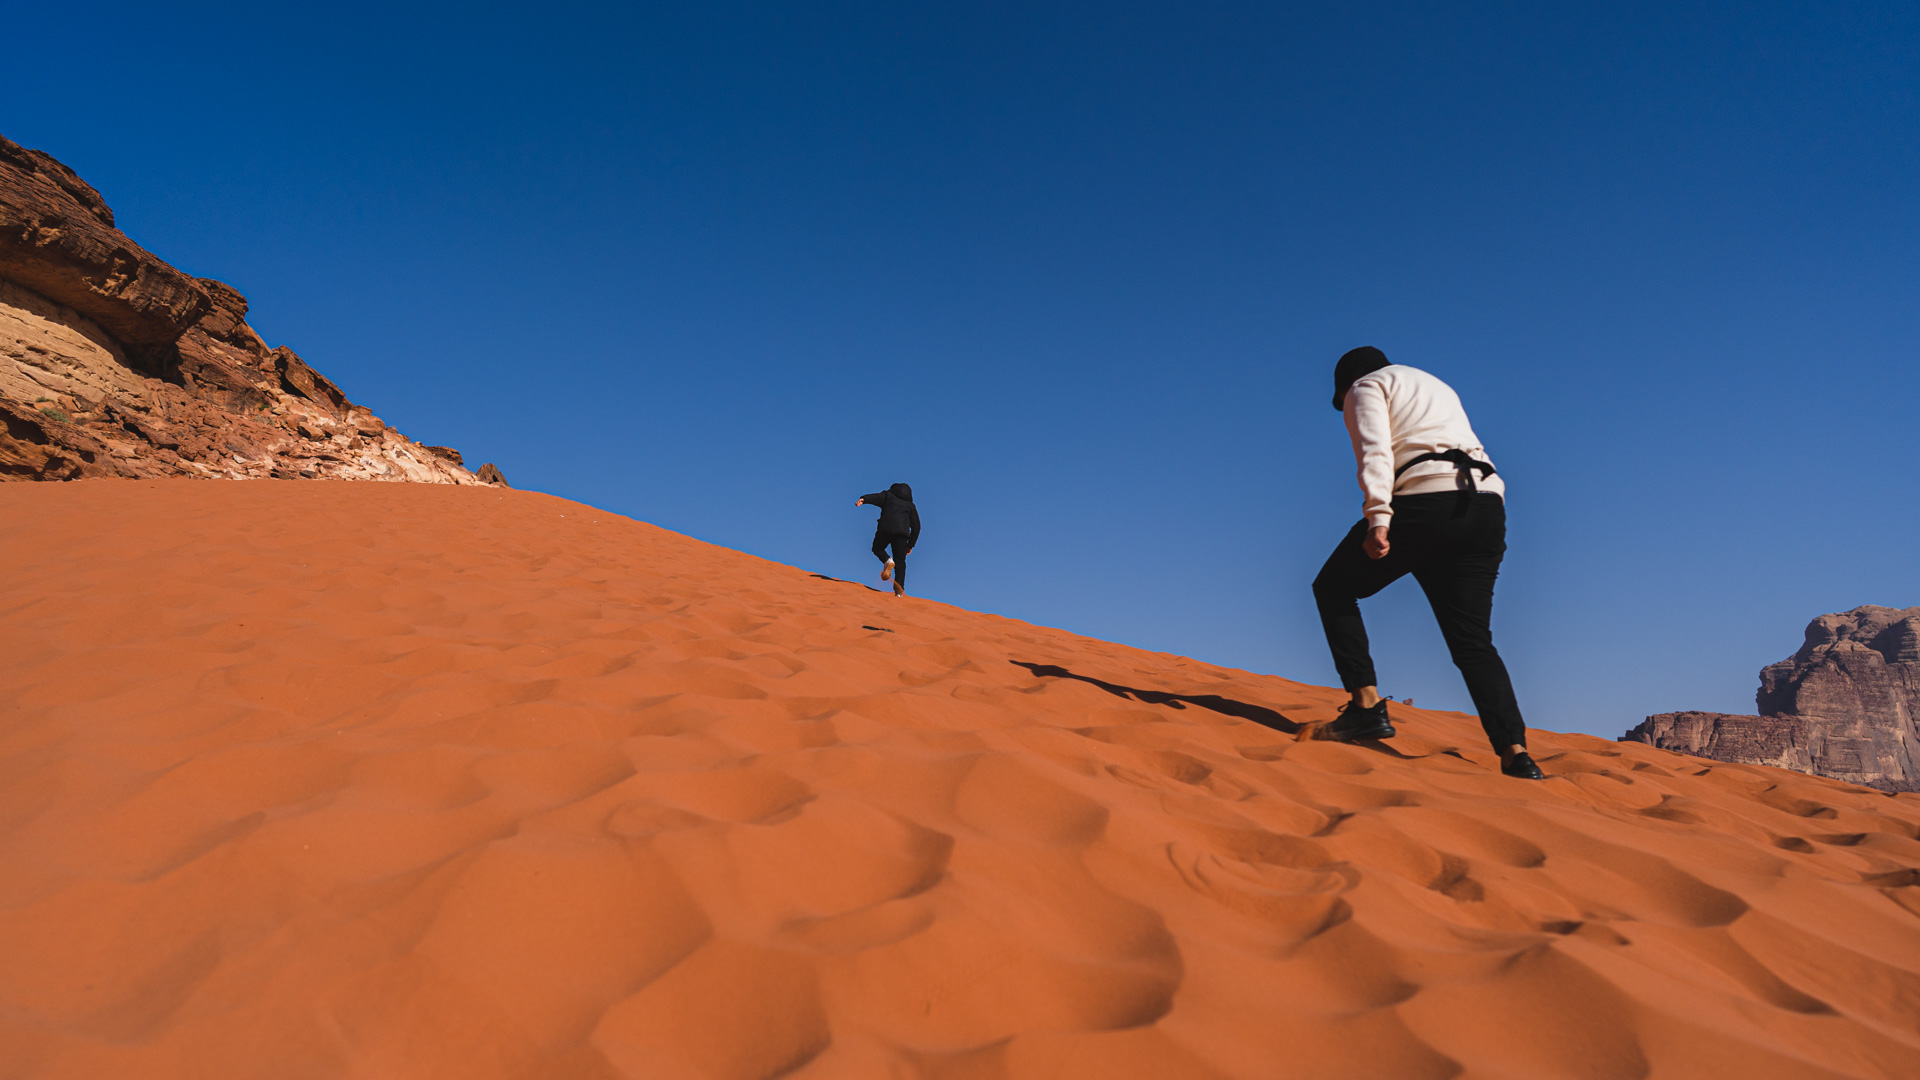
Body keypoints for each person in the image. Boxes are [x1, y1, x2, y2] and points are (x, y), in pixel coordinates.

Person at [1311, 346, 1545, 780]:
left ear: (1346, 385)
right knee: (1472, 641)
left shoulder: (1367, 386)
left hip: (1426, 502)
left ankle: (1364, 706)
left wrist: (1378, 517)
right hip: (1486, 507)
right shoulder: (1434, 384)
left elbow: (1375, 451)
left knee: (1332, 588)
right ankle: (1515, 751)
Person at [855, 483, 920, 597]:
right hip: (902, 534)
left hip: (885, 528)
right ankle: (899, 592)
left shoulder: (888, 496)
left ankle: (887, 560)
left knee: (877, 548)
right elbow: (916, 526)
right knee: (900, 563)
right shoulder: (910, 506)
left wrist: (863, 499)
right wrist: (910, 545)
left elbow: (875, 497)